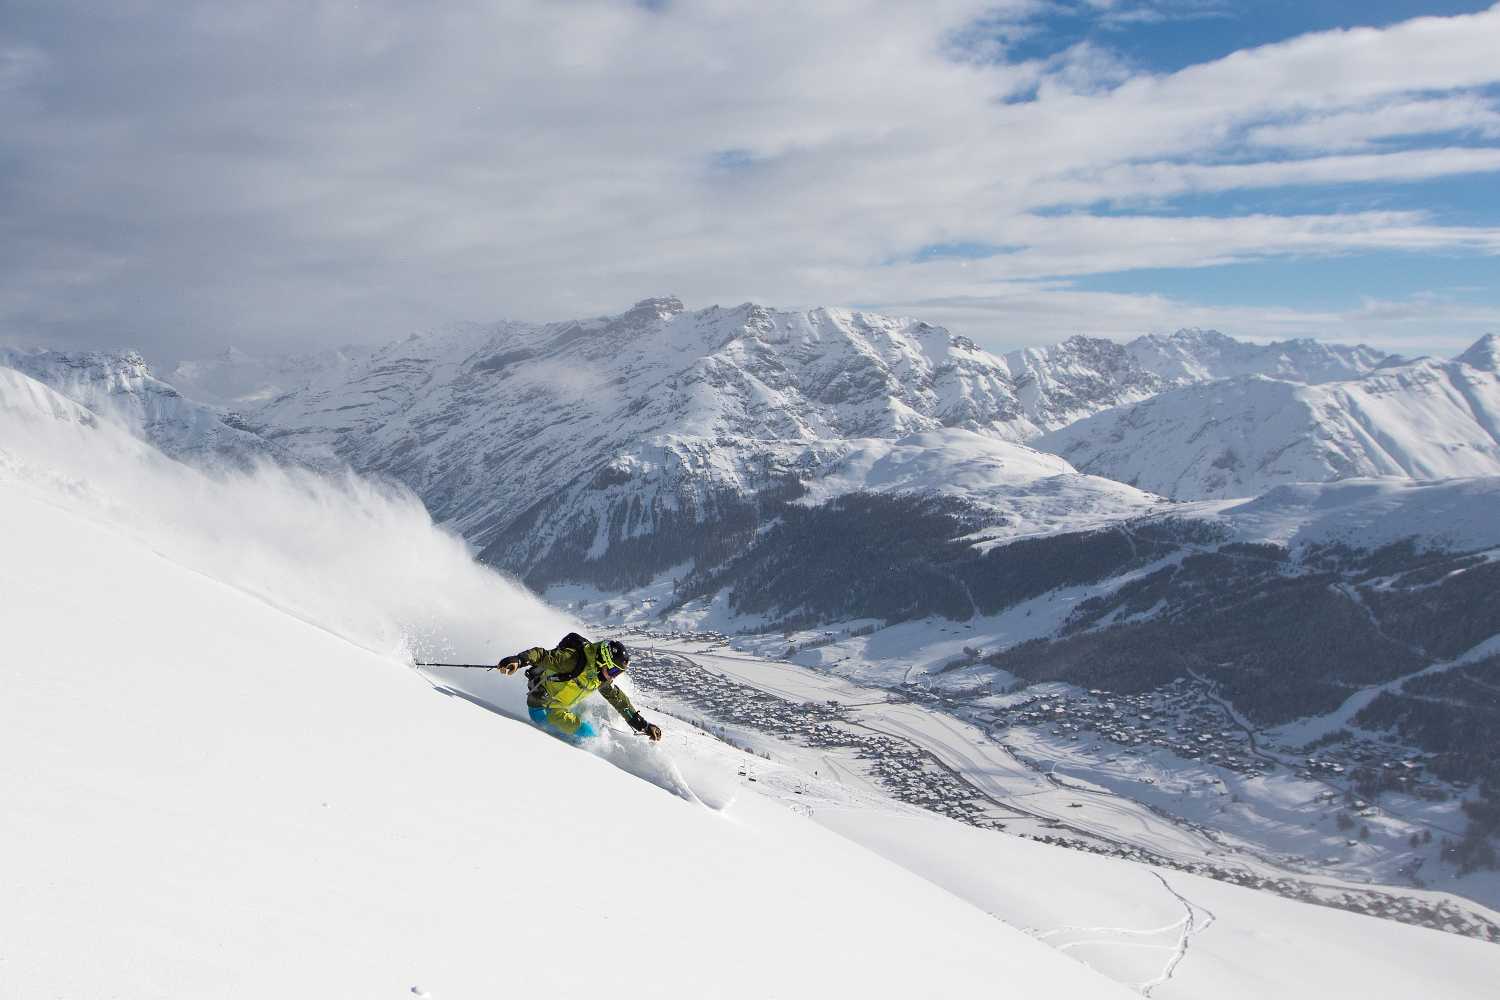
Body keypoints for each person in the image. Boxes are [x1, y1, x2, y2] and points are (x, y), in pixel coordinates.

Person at [497, 636, 662, 743]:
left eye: (617, 673)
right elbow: (541, 655)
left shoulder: (600, 675)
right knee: (588, 734)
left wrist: (643, 725)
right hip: (544, 708)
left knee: (595, 714)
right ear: (602, 660)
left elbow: (617, 699)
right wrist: (518, 660)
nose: (613, 677)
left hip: (565, 703)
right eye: (613, 671)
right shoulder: (572, 660)